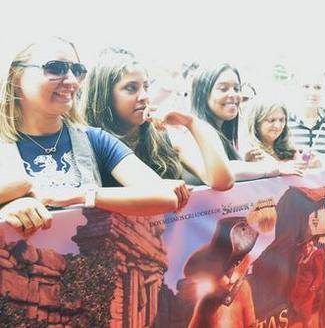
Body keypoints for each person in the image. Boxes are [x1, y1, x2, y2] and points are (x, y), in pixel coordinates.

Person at [0, 37, 190, 235]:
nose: (72, 81)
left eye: (77, 71)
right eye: (55, 68)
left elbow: (164, 196)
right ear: (15, 75)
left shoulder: (94, 139)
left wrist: (81, 195)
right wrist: (7, 209)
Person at [81, 50, 234, 190]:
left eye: (146, 87)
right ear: (104, 96)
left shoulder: (164, 136)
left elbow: (222, 182)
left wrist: (191, 123)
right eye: (131, 88)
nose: (144, 96)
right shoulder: (85, 144)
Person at [189, 64, 287, 180]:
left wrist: (245, 162)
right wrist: (267, 168)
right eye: (223, 89)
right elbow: (219, 172)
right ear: (203, 93)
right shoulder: (191, 131)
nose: (234, 95)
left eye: (237, 89)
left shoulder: (227, 136)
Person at [241, 99, 306, 176]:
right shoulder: (250, 152)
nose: (278, 126)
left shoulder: (291, 150)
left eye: (281, 120)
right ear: (256, 123)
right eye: (271, 120)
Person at [287, 73, 325, 160]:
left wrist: (321, 162)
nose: (312, 92)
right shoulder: (285, 123)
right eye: (306, 87)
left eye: (318, 88)